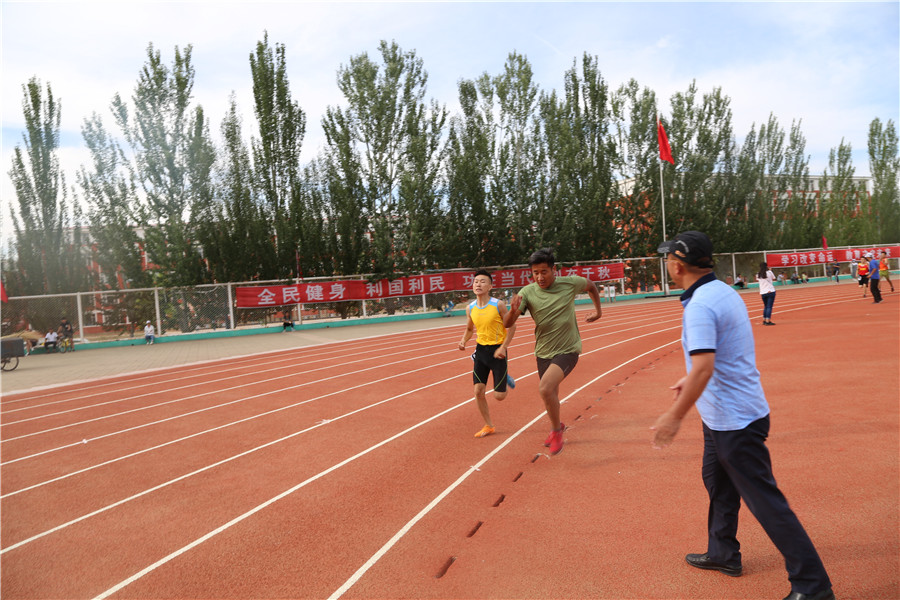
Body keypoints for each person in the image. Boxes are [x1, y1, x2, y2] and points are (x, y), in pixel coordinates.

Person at [651, 231, 834, 600]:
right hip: (725, 416)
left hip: (734, 422)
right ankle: (723, 552)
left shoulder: (701, 305)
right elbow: (717, 356)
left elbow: (704, 367)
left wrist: (674, 415)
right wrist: (690, 377)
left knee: (766, 502)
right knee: (718, 483)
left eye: (668, 259)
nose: (667, 264)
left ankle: (813, 586)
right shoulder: (720, 291)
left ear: (678, 265)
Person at [502, 248, 603, 455]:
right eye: (535, 273)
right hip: (543, 351)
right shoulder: (527, 293)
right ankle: (557, 425)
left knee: (545, 389)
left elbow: (592, 286)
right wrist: (512, 311)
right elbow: (507, 324)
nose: (540, 277)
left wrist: (598, 312)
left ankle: (556, 431)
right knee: (551, 395)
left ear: (553, 270)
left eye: (544, 272)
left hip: (568, 349)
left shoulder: (570, 283)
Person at [458, 269, 517, 438]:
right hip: (481, 351)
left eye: (483, 281)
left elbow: (512, 326)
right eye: (476, 281)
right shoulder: (470, 308)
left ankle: (505, 377)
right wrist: (463, 340)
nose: (478, 284)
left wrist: (504, 347)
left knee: (499, 396)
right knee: (478, 391)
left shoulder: (498, 305)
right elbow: (470, 329)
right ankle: (488, 425)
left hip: (498, 351)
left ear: (490, 286)